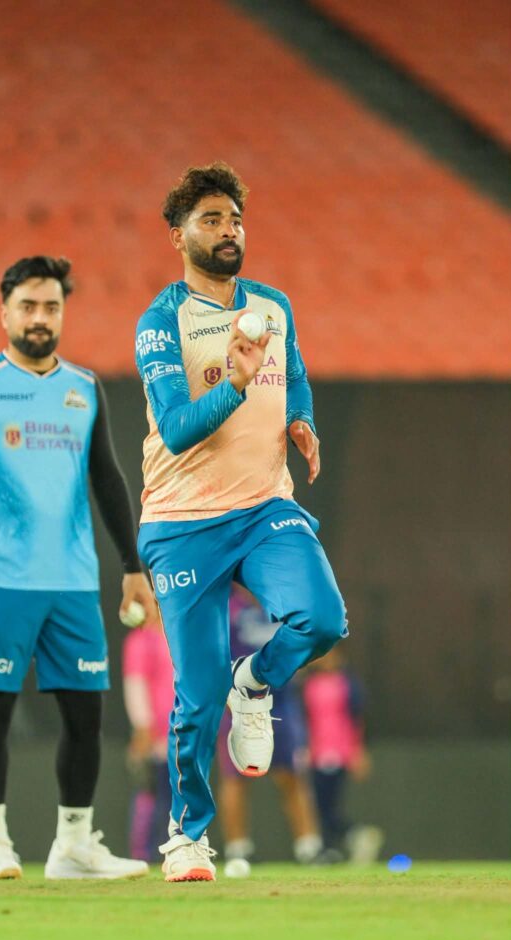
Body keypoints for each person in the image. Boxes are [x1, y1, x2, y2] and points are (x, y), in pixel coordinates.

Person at [0, 255, 156, 880]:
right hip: (2, 578)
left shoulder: (84, 388)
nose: (39, 318)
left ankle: (73, 847)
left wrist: (132, 565)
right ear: (5, 313)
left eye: (51, 307)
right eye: (27, 306)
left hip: (72, 581)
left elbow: (108, 479)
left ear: (63, 314)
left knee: (86, 715)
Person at [135, 163, 347, 881]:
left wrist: (300, 419)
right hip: (182, 521)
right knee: (196, 692)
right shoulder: (160, 323)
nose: (228, 231)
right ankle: (187, 837)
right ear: (178, 236)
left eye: (234, 219)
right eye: (210, 220)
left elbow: (295, 374)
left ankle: (253, 683)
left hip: (262, 506)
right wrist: (233, 380)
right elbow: (175, 428)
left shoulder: (273, 306)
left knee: (321, 619)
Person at [216, 589, 324, 869]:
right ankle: (238, 849)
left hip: (281, 703)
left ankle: (308, 847)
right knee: (235, 776)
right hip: (238, 703)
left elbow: (304, 647)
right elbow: (215, 653)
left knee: (292, 775)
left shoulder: (282, 604)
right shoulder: (227, 608)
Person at [302, 649, 383, 862]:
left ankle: (354, 834)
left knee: (328, 806)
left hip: (338, 752)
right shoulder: (308, 684)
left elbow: (357, 719)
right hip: (316, 753)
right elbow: (306, 719)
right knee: (318, 807)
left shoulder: (347, 684)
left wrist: (357, 751)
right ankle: (333, 847)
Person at [122, 621, 175, 862]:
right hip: (157, 735)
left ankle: (174, 850)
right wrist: (142, 726)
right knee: (153, 793)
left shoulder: (178, 633)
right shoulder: (141, 639)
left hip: (182, 731)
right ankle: (146, 854)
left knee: (176, 797)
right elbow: (135, 684)